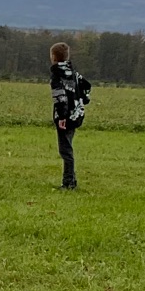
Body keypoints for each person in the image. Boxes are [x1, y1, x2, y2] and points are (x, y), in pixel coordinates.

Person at [49, 41, 91, 189]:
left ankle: (68, 182)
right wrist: (84, 99)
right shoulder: (73, 73)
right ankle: (71, 180)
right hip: (76, 115)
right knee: (68, 146)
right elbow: (87, 85)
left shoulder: (57, 76)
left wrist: (61, 117)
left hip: (65, 118)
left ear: (53, 57)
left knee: (65, 151)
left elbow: (60, 98)